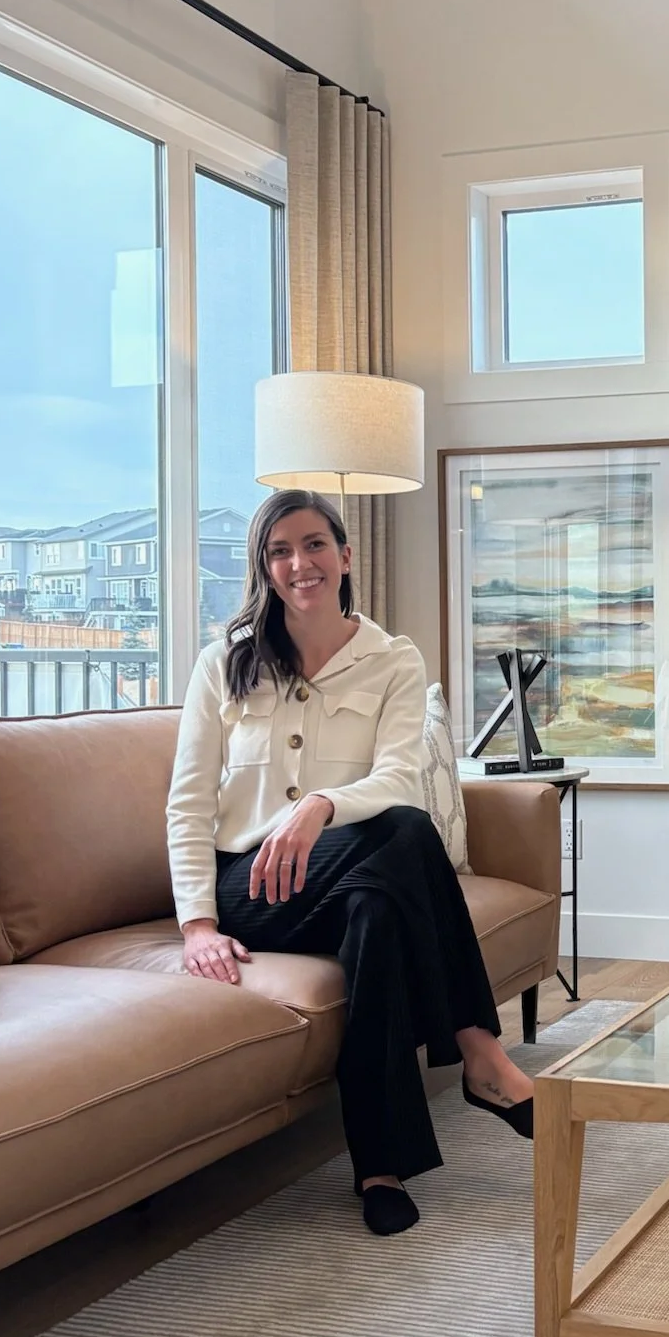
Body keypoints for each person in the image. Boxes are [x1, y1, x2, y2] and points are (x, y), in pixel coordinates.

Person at [166, 487, 534, 1238]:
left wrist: (321, 805)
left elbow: (401, 776)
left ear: (345, 555)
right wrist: (198, 925)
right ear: (264, 569)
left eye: (312, 545)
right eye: (278, 551)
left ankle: (379, 1168)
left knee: (380, 901)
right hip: (253, 890)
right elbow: (188, 802)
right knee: (403, 837)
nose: (298, 563)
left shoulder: (390, 659)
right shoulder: (225, 665)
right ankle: (478, 1050)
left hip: (345, 872)